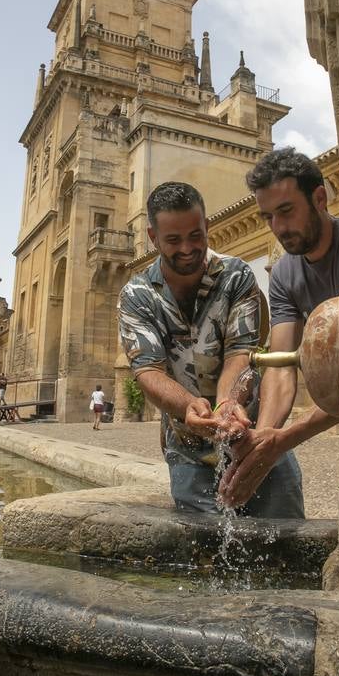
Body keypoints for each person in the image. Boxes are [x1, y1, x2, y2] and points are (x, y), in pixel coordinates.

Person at [117, 181, 304, 517]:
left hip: (253, 433)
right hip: (188, 449)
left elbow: (239, 352)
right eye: (173, 240)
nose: (187, 248)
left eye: (196, 235)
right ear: (153, 237)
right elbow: (148, 371)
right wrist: (189, 406)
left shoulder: (236, 276)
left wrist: (227, 405)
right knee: (203, 546)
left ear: (206, 226)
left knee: (285, 533)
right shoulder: (137, 295)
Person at [218, 147, 339, 509]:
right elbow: (281, 366)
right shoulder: (283, 273)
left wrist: (284, 440)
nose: (279, 228)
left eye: (286, 211)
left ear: (319, 199)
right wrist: (261, 441)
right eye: (268, 217)